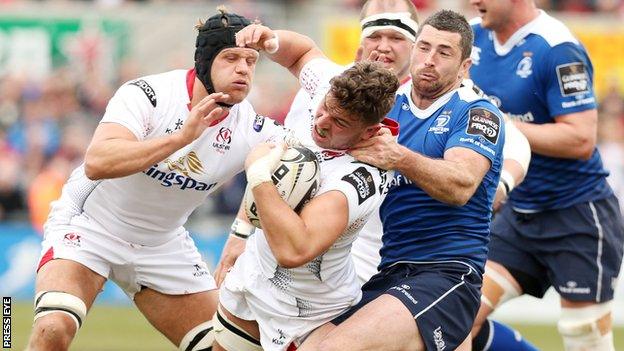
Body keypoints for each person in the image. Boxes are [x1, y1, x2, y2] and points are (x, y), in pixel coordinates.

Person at [27, 8, 289, 351]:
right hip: (90, 225)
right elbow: (97, 162)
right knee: (53, 327)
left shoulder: (251, 127)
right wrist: (180, 139)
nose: (243, 68)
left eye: (251, 60)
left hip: (161, 243)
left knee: (227, 346)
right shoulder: (148, 94)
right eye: (231, 57)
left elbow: (314, 149)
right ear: (204, 62)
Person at [299, 10, 506, 351]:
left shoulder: (475, 111)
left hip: (448, 274)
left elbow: (461, 185)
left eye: (444, 52)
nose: (429, 60)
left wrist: (400, 158)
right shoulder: (388, 107)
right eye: (423, 47)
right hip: (391, 271)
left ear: (465, 66)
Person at [212, 24, 400, 350]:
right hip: (252, 282)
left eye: (339, 123)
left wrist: (258, 175)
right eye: (325, 108)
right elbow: (301, 52)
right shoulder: (329, 87)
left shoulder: (359, 179)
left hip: (308, 315)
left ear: (369, 133)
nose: (321, 121)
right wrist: (270, 40)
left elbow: (294, 250)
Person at [468, 1, 624, 350]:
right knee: (458, 317)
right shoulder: (471, 37)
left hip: (577, 215)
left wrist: (503, 126)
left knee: (584, 337)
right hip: (518, 214)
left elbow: (581, 138)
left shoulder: (557, 47)